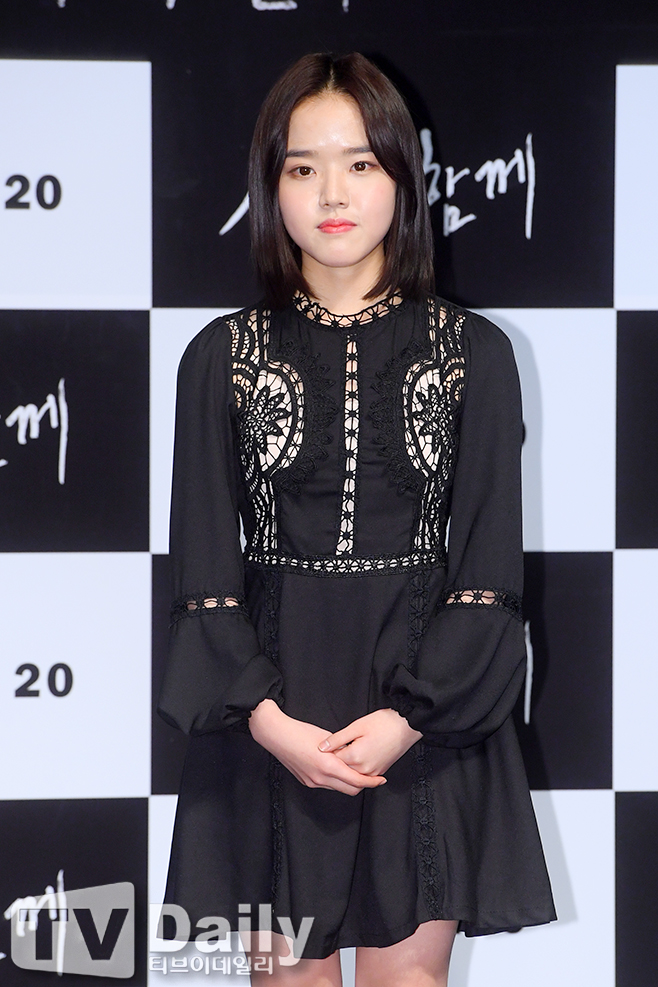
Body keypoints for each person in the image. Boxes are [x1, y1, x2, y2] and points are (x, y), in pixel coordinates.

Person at [158, 51, 556, 987]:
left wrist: (410, 717)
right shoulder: (219, 356)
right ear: (271, 186)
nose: (332, 192)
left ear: (402, 178)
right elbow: (203, 577)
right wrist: (267, 720)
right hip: (271, 711)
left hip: (425, 711)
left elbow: (489, 574)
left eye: (361, 163)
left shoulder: (476, 353)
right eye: (303, 167)